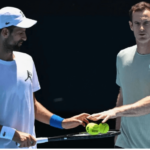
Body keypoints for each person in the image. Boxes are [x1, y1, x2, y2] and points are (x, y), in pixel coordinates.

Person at [0, 7, 90, 148]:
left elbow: (32, 104)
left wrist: (61, 122)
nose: (25, 37)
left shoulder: (27, 60)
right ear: (5, 32)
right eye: (20, 33)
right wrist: (11, 134)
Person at [87, 1, 150, 148]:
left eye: (146, 23)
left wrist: (117, 111)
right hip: (127, 143)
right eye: (137, 23)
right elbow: (123, 94)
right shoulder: (122, 56)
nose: (141, 28)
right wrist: (117, 135)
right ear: (131, 26)